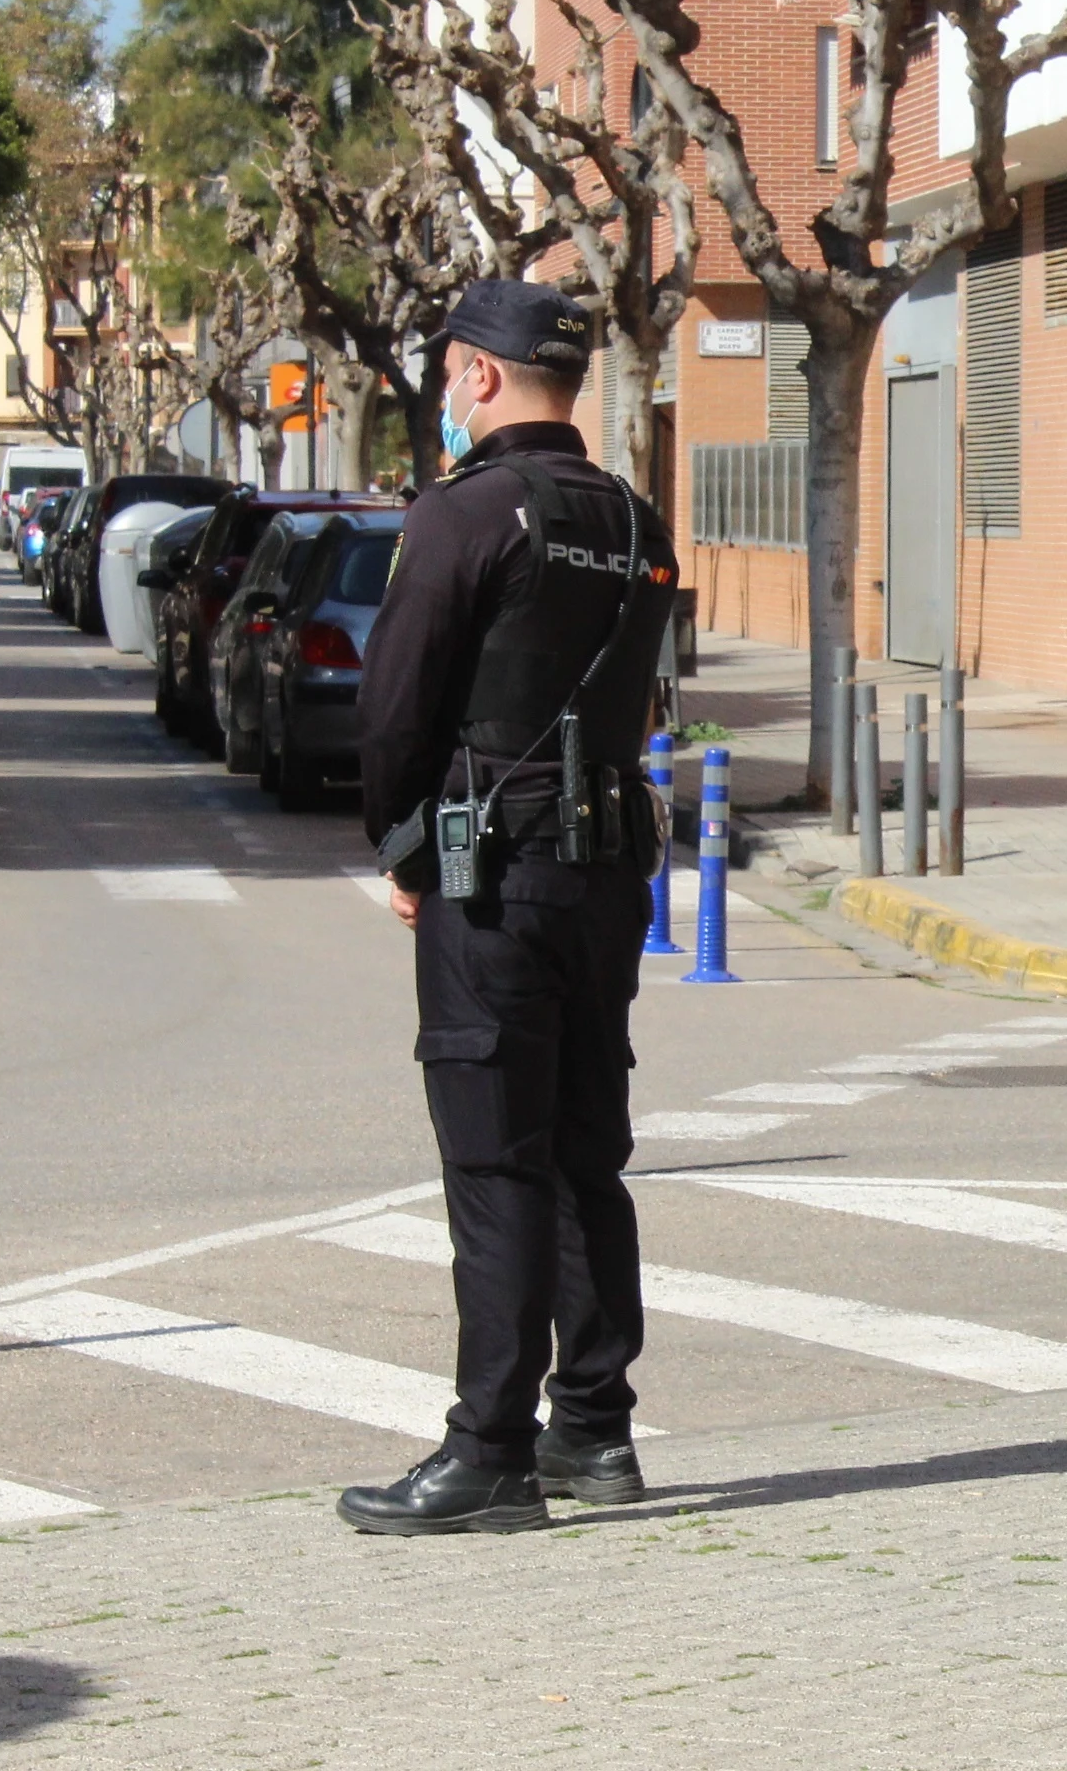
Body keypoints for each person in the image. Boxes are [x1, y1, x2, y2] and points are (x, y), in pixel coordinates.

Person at [340, 279, 679, 1535]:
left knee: (496, 1159)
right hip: (606, 880)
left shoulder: (468, 513)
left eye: (446, 374)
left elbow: (397, 707)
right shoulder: (635, 519)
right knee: (589, 1150)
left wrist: (403, 847)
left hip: (498, 876)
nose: (442, 396)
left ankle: (488, 1448)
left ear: (481, 376)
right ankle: (594, 1427)